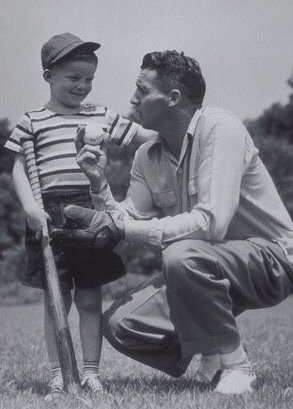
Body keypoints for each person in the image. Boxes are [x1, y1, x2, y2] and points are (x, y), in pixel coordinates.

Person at [51, 50, 293, 395]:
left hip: (272, 259)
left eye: (142, 90)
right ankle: (213, 348)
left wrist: (122, 228)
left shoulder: (220, 127)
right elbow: (128, 224)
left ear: (173, 98)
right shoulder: (145, 156)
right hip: (201, 267)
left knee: (181, 255)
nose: (132, 99)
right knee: (121, 325)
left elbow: (212, 224)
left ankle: (236, 365)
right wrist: (97, 181)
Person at [4, 32, 154, 397]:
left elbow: (144, 136)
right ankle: (59, 373)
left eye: (88, 79)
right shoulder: (31, 121)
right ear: (48, 76)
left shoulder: (99, 115)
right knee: (58, 301)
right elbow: (18, 169)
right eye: (73, 78)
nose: (82, 86)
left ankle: (90, 373)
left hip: (89, 214)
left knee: (90, 299)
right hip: (46, 214)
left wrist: (184, 132)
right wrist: (29, 208)